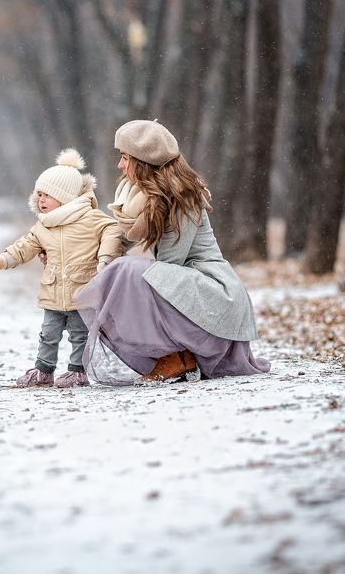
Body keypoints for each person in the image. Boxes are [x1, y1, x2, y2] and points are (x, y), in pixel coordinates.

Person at [75, 119, 270, 383]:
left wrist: (120, 271)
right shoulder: (141, 198)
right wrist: (73, 251)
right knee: (122, 271)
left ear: (142, 161)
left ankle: (177, 356)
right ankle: (172, 356)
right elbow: (119, 239)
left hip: (212, 292)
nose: (119, 165)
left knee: (126, 272)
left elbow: (171, 262)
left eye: (124, 158)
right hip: (185, 287)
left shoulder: (183, 197)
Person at [0, 148, 125, 388]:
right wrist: (2, 260)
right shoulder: (43, 226)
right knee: (48, 334)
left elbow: (113, 229)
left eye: (47, 195)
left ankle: (77, 372)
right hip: (53, 293)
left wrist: (106, 256)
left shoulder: (90, 218)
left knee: (80, 336)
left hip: (81, 293)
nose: (41, 200)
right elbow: (25, 246)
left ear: (65, 196)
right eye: (39, 195)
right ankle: (43, 370)